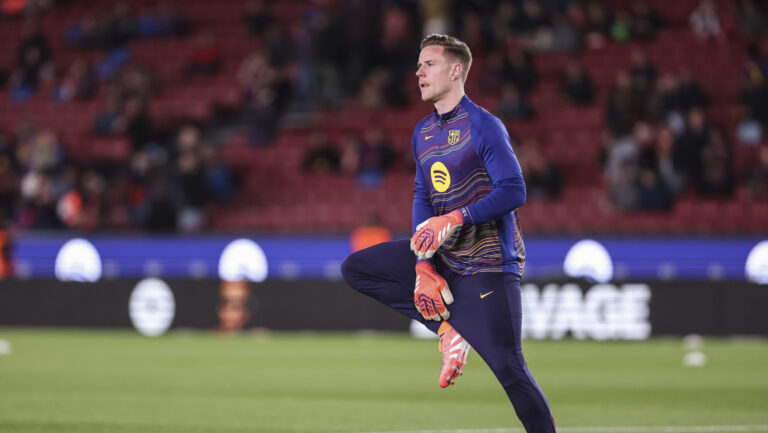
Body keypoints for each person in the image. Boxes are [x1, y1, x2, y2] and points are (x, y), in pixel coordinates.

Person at [341, 34, 556, 433]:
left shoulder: (484, 125)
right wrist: (422, 264)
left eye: (429, 64)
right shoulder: (422, 133)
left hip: (488, 266)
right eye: (419, 65)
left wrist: (454, 218)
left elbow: (514, 189)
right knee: (357, 268)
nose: (418, 71)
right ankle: (447, 330)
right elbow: (422, 195)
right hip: (443, 259)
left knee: (510, 370)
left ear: (456, 70)